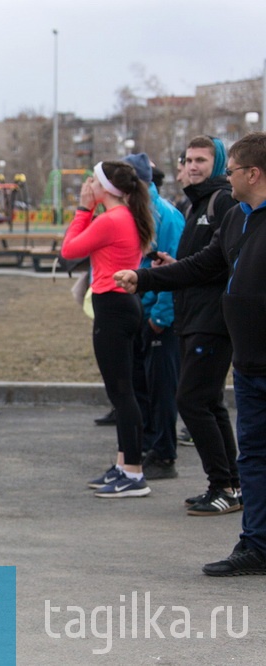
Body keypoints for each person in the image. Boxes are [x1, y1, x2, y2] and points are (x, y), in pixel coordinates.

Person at [114, 131, 266, 574]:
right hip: (250, 365)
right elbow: (204, 264)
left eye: (231, 169)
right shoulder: (238, 218)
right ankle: (255, 545)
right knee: (253, 456)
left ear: (252, 173)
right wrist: (145, 279)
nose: (226, 177)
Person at [61, 160, 155, 498]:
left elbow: (69, 251)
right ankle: (123, 464)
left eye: (93, 182)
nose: (88, 186)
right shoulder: (123, 216)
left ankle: (133, 473)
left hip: (113, 307)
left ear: (104, 188)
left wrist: (83, 210)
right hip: (119, 305)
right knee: (123, 390)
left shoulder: (112, 219)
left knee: (122, 393)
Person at [170, 136, 240, 515]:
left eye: (202, 160)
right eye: (189, 159)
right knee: (209, 402)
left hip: (213, 320)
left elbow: (213, 263)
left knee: (192, 400)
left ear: (219, 164)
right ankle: (233, 483)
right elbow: (197, 263)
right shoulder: (195, 203)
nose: (193, 166)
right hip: (194, 315)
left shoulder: (222, 201)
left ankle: (223, 486)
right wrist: (173, 266)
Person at [123, 153, 185, 481]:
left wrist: (160, 317)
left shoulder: (165, 216)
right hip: (142, 312)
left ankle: (164, 454)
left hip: (158, 317)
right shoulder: (139, 212)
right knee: (144, 386)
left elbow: (173, 270)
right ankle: (150, 445)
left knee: (162, 389)